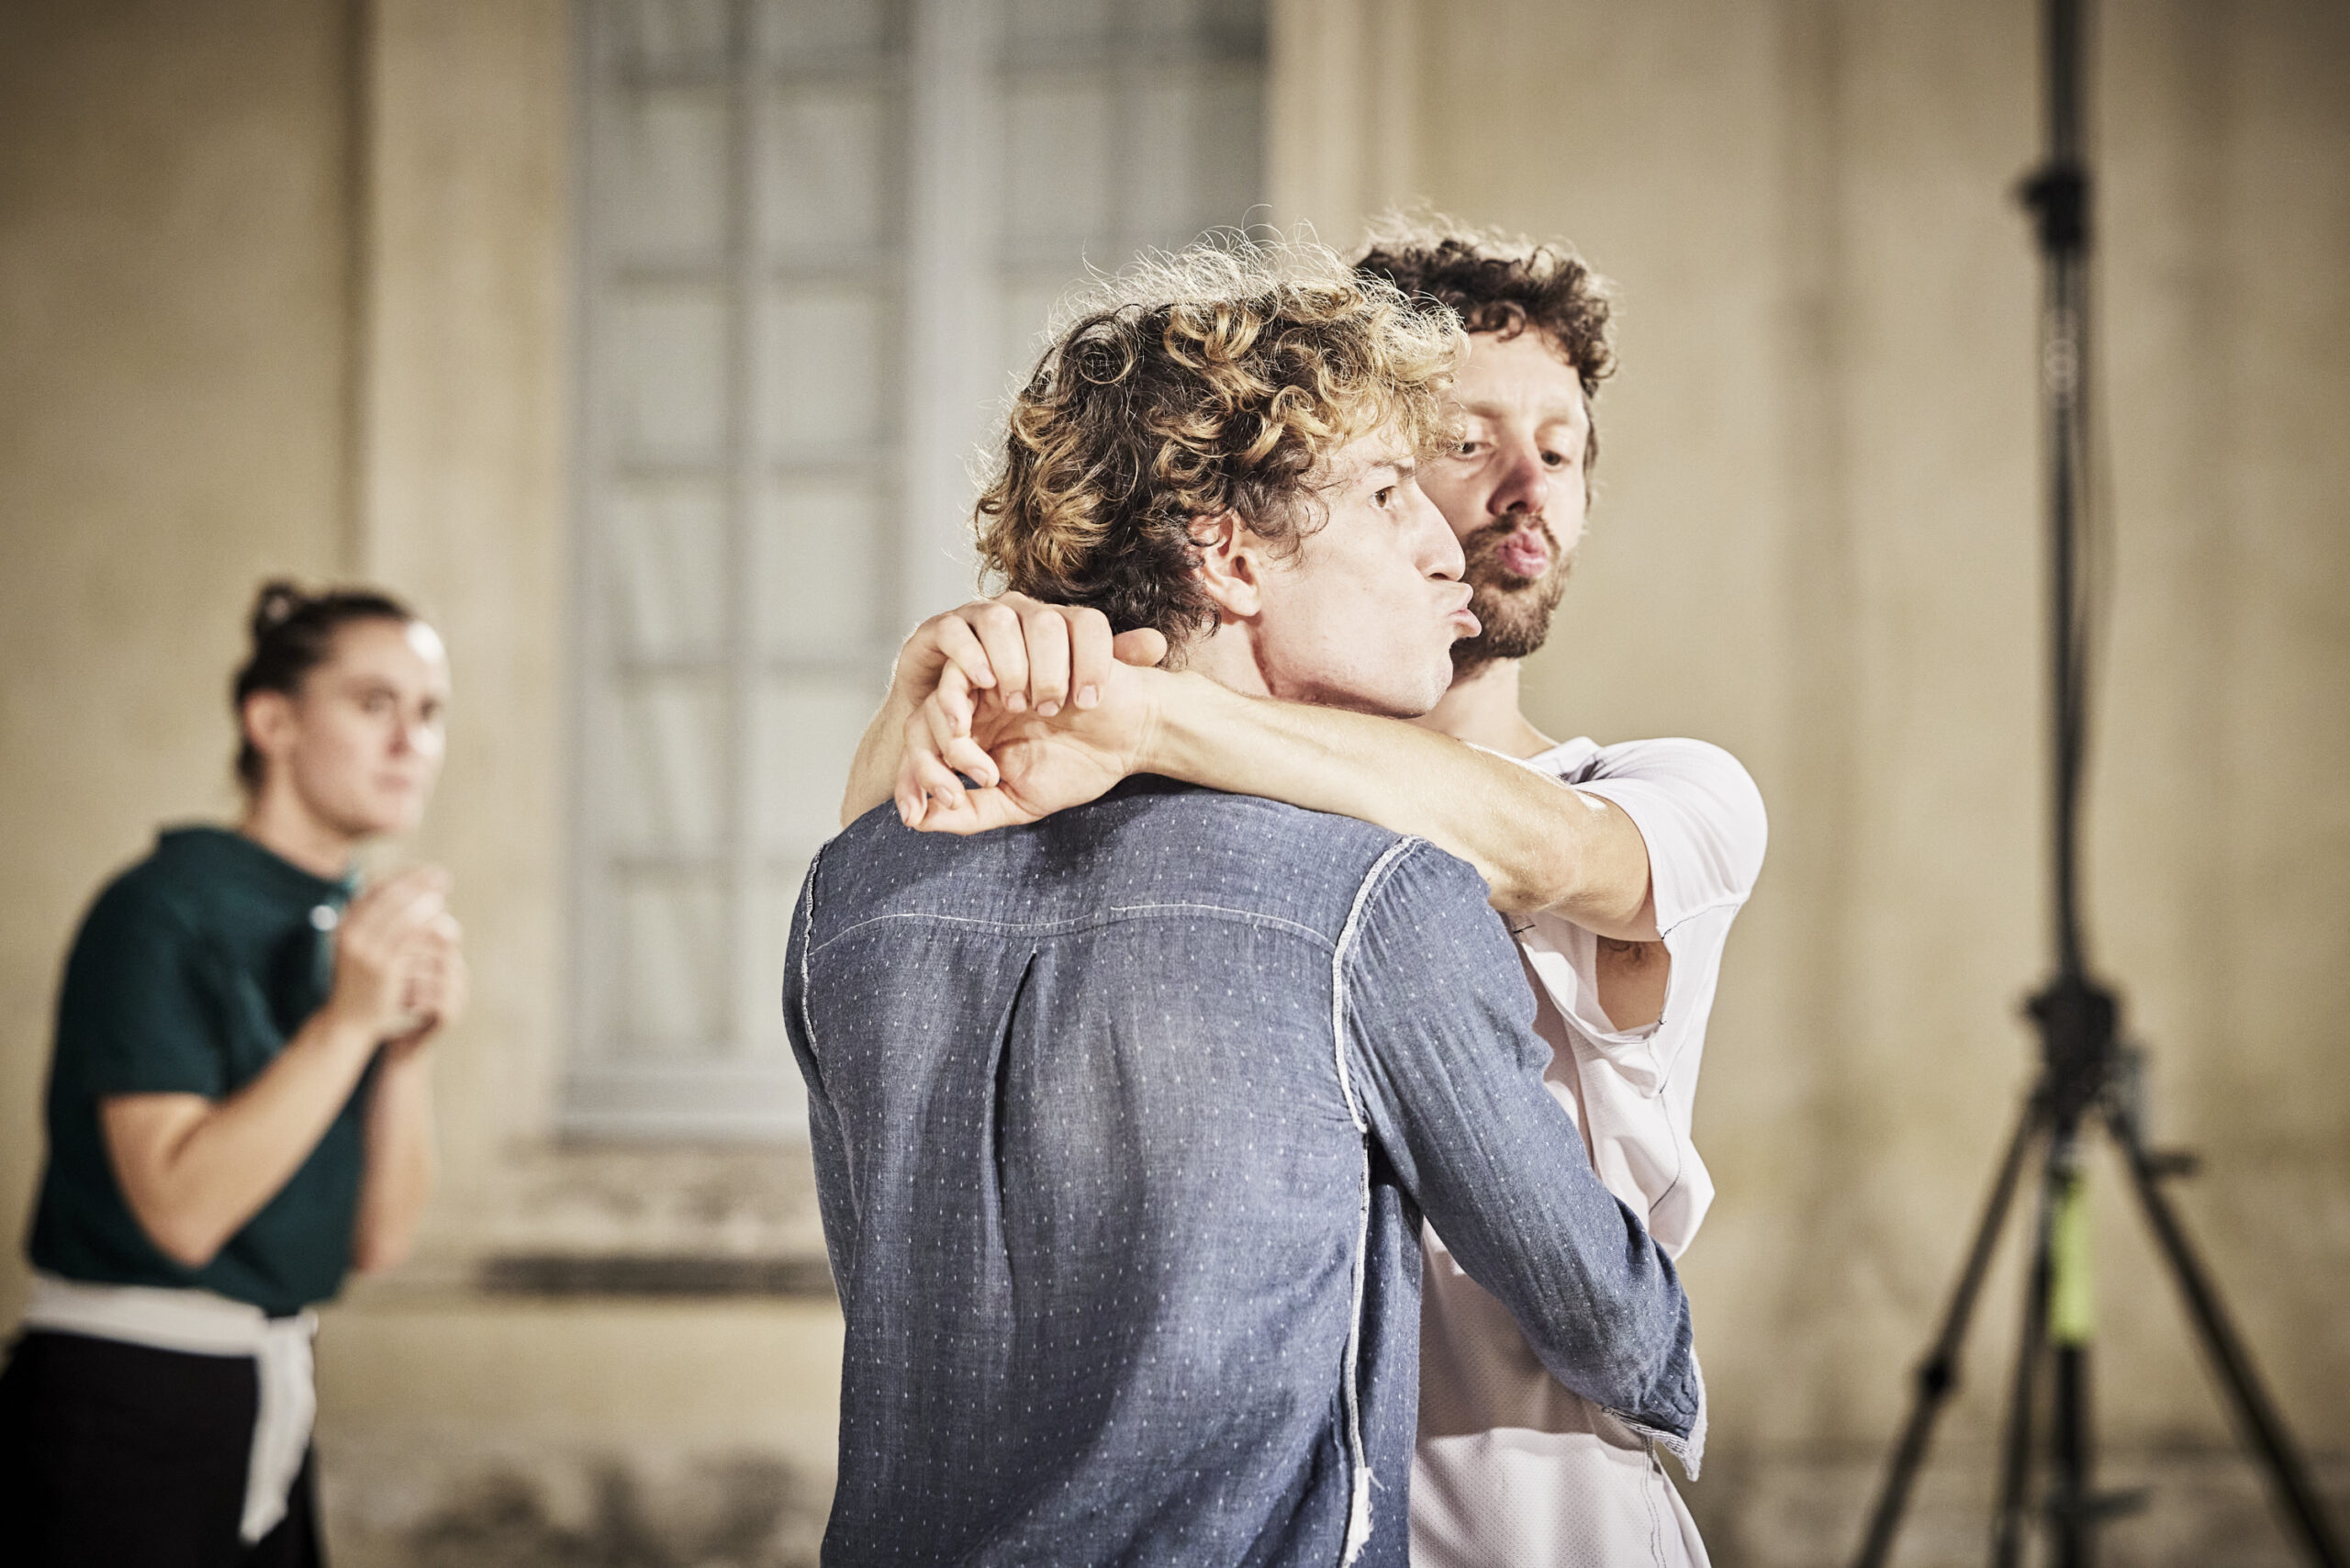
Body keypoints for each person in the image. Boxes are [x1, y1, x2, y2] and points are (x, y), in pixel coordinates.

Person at [847, 223, 1765, 1566]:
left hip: (1543, 1525)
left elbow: (1540, 857)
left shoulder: (1657, 792)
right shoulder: (1170, 818)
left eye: (1560, 450)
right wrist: (931, 683)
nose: (1518, 492)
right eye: (1448, 451)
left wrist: (1128, 701)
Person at [0, 581, 465, 1568]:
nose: (409, 741)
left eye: (428, 712)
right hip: (122, 1400)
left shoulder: (353, 922)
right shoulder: (158, 910)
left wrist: (404, 1056)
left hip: (273, 1391)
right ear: (272, 721)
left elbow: (376, 1242)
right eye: (373, 703)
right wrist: (346, 1023)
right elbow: (179, 1212)